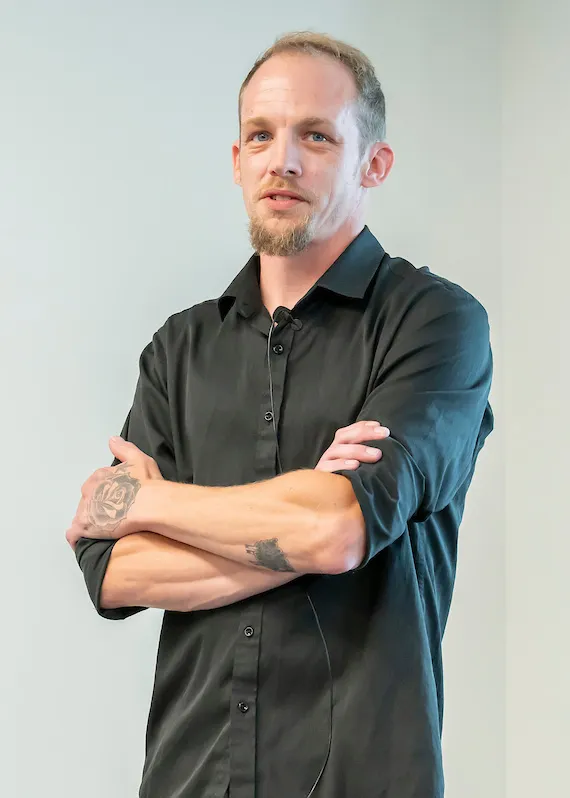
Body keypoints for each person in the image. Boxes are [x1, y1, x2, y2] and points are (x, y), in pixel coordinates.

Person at [67, 31, 494, 798]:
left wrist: (154, 503)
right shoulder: (179, 348)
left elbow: (335, 531)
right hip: (190, 779)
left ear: (375, 164)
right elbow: (114, 572)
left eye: (317, 136)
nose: (282, 160)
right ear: (237, 161)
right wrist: (300, 519)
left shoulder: (433, 324)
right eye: (260, 135)